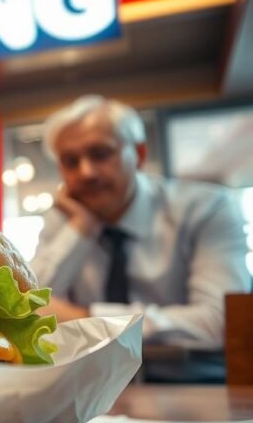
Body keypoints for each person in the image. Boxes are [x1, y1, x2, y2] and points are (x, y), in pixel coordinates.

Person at [30, 95, 250, 382]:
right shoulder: (66, 220)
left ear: (140, 154)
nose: (86, 172)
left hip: (193, 384)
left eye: (100, 154)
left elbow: (219, 322)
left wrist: (85, 317)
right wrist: (80, 230)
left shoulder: (207, 209)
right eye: (71, 161)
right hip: (92, 386)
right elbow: (29, 305)